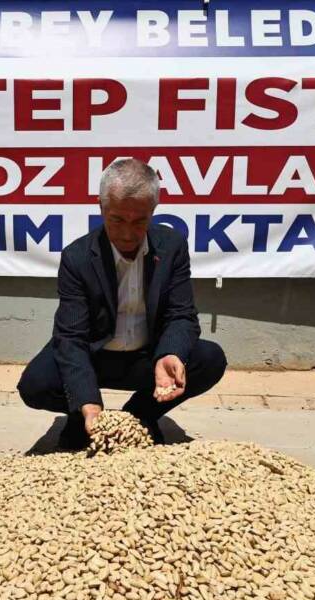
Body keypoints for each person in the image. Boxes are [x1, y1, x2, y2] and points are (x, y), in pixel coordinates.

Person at [17, 158, 227, 449]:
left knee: (209, 359)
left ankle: (139, 417)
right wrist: (87, 402)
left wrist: (170, 354)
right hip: (96, 356)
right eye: (117, 220)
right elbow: (71, 337)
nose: (128, 233)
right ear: (101, 208)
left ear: (153, 211)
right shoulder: (77, 257)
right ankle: (82, 419)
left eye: (139, 220)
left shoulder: (172, 246)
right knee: (35, 384)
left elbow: (182, 315)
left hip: (147, 357)